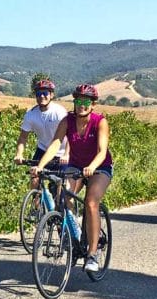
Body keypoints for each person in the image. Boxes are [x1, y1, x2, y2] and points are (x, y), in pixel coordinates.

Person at [31, 83, 113, 273]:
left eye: (86, 101)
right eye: (78, 101)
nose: (81, 105)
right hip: (75, 166)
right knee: (63, 195)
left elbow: (102, 151)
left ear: (93, 104)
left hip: (99, 167)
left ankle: (91, 254)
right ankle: (74, 231)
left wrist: (92, 167)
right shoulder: (67, 121)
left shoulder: (100, 121)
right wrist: (40, 166)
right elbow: (55, 144)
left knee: (91, 202)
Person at [13, 79, 68, 188]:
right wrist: (19, 154)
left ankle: (60, 203)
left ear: (51, 95)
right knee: (34, 179)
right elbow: (23, 138)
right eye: (38, 94)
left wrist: (67, 154)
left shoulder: (59, 112)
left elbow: (71, 135)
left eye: (45, 93)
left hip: (61, 152)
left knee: (60, 188)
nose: (41, 96)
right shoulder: (31, 114)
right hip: (42, 150)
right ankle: (36, 203)